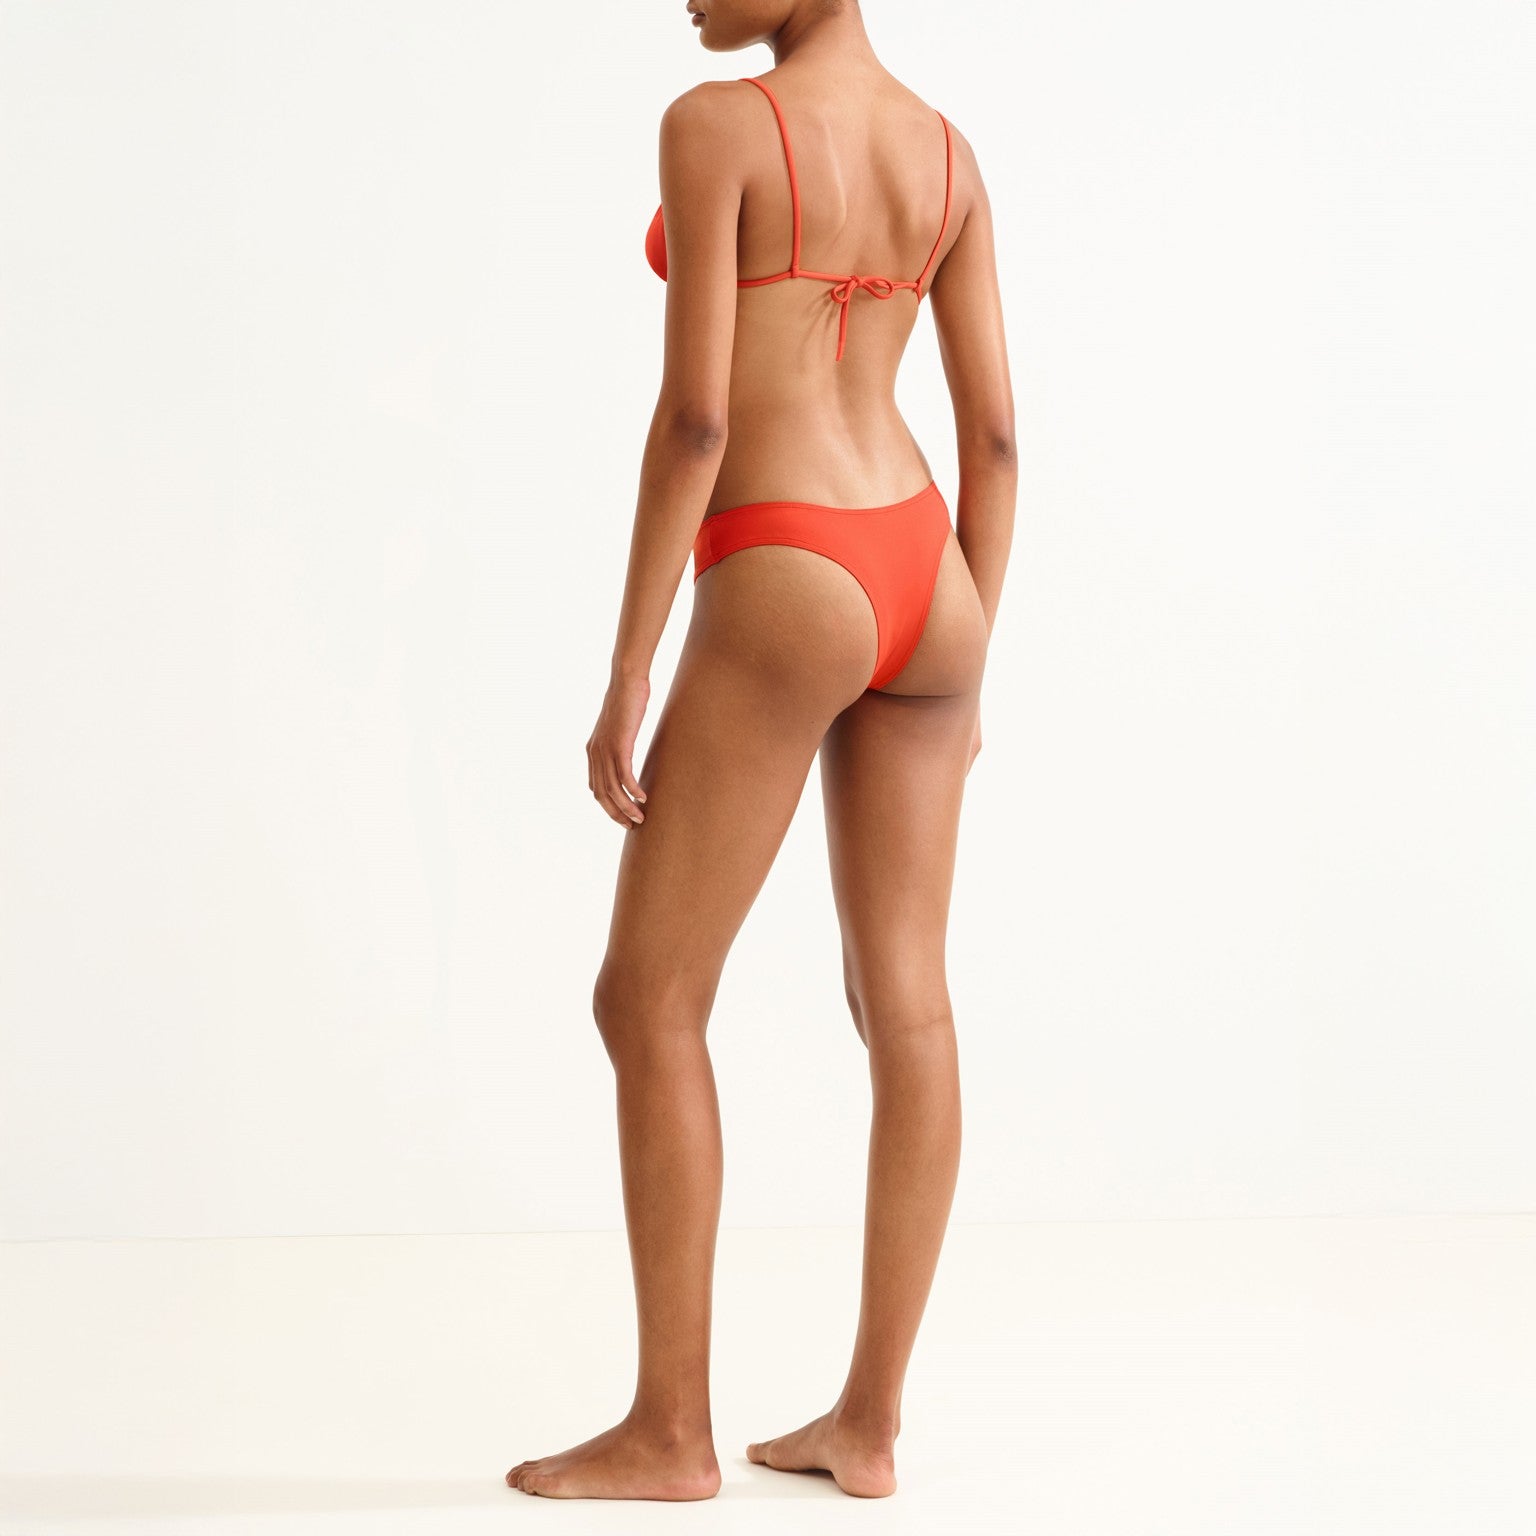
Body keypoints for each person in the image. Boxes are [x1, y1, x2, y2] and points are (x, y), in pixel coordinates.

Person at [508, 0, 1015, 1503]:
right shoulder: (948, 152)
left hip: (792, 559)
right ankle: (870, 1425)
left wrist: (629, 667)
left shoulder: (719, 128)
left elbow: (698, 423)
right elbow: (996, 441)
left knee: (648, 997)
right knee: (908, 1004)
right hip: (930, 568)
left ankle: (670, 1433)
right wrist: (970, 660)